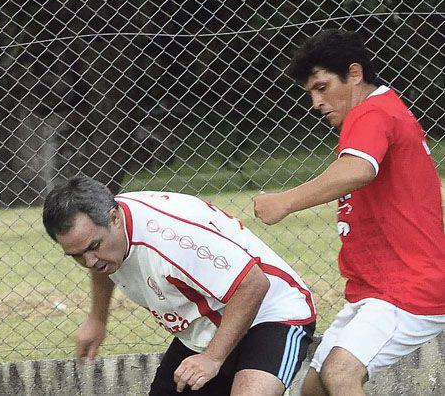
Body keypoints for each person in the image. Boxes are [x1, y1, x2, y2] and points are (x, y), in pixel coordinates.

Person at [253, 29, 445, 396]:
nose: (315, 102)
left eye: (322, 87)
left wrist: (285, 201)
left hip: (407, 286)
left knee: (341, 373)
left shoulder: (371, 112)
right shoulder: (383, 110)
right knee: (314, 387)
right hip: (378, 289)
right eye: (310, 92)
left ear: (354, 74)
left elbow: (358, 170)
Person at [43, 176, 316, 395]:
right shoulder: (106, 237)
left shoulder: (171, 238)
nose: (89, 261)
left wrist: (212, 358)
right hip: (207, 324)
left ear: (114, 218)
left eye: (93, 247)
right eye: (76, 255)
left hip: (272, 314)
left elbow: (254, 284)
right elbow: (101, 263)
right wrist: (97, 319)